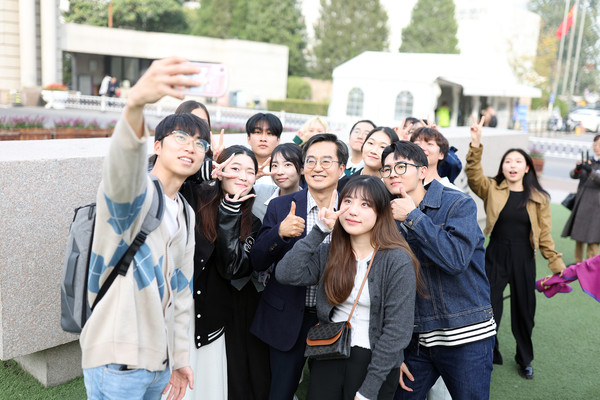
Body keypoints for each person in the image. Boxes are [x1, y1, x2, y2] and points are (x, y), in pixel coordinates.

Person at [80, 57, 203, 400]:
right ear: (158, 146)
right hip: (117, 360)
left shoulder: (186, 214)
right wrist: (134, 105)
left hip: (158, 365)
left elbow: (181, 292)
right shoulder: (135, 194)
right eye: (181, 137)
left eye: (200, 143)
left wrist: (178, 358)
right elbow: (122, 168)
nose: (191, 147)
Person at [276, 175, 420, 400]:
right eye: (348, 201)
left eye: (365, 204)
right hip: (329, 353)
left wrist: (368, 391)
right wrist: (319, 230)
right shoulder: (331, 250)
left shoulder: (396, 259)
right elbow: (286, 274)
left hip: (374, 362)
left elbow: (397, 332)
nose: (353, 211)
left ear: (380, 212)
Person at [380, 141, 495, 399]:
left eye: (401, 166)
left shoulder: (457, 204)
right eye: (386, 169)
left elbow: (455, 260)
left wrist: (413, 217)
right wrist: (396, 351)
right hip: (416, 340)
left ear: (422, 171)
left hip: (466, 334)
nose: (393, 173)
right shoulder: (386, 215)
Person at [465, 116, 566, 380]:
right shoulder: (492, 188)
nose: (512, 165)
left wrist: (557, 266)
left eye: (517, 161)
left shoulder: (539, 198)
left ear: (527, 168)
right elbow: (473, 175)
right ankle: (490, 351)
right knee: (489, 308)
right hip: (495, 254)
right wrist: (476, 143)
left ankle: (524, 359)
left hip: (524, 258)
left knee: (524, 312)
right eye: (508, 161)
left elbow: (544, 236)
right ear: (503, 167)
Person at [250, 133, 348, 400]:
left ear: (341, 168)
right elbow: (258, 260)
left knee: (325, 393)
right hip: (286, 315)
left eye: (326, 161)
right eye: (311, 161)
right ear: (303, 167)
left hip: (335, 316)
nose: (317, 168)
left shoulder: (352, 207)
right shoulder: (282, 206)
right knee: (280, 392)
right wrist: (278, 234)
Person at [182, 145, 263, 400]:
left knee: (206, 388)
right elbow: (156, 180)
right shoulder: (195, 197)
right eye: (235, 168)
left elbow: (233, 269)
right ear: (220, 170)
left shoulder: (253, 222)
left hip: (213, 321)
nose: (243, 176)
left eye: (250, 171)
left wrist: (230, 214)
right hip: (180, 314)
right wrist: (198, 170)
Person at [562, 135, 600, 263]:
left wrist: (591, 172)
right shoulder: (588, 159)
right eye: (595, 144)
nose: (597, 147)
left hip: (597, 204)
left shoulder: (592, 164)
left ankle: (590, 264)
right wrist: (577, 169)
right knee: (579, 234)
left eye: (599, 145)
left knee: (594, 237)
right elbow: (573, 175)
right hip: (583, 200)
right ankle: (578, 262)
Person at [253, 143, 304, 221]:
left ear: (302, 169)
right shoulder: (258, 193)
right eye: (275, 165)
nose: (279, 172)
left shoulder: (309, 201)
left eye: (287, 165)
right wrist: (252, 177)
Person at [338, 126, 399, 192]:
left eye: (382, 147)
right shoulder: (343, 184)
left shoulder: (394, 190)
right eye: (370, 143)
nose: (374, 151)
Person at [410, 127, 459, 191]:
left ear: (441, 155)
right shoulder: (402, 187)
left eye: (429, 144)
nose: (422, 147)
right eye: (417, 144)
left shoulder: (453, 192)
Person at [246, 113, 282, 185]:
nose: (263, 139)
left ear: (278, 140)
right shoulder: (237, 168)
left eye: (270, 133)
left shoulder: (284, 171)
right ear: (248, 138)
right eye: (258, 132)